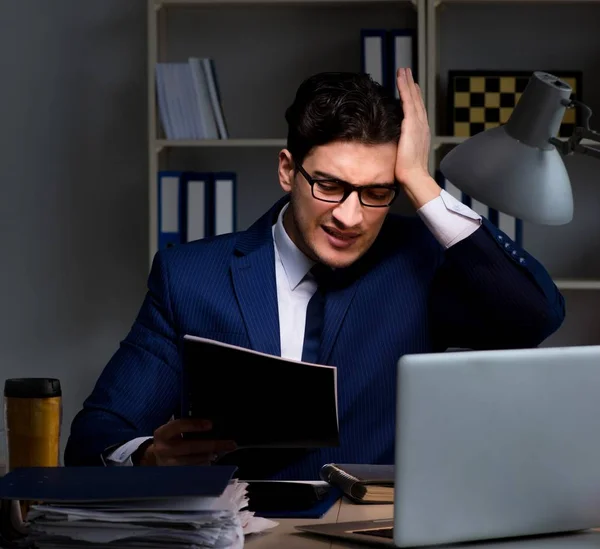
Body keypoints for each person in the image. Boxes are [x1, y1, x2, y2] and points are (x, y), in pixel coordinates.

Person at [64, 68, 565, 479]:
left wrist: (421, 183)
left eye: (376, 192)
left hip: (378, 533)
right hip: (238, 535)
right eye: (328, 185)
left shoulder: (418, 261)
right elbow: (96, 438)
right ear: (287, 170)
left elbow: (533, 316)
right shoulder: (189, 278)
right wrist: (150, 455)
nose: (350, 216)